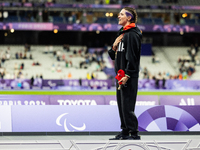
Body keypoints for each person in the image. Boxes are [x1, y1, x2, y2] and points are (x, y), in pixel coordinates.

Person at [108, 7, 142, 140]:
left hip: (128, 76)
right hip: (120, 76)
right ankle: (125, 131)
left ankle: (133, 133)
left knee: (127, 106)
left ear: (129, 18)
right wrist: (113, 46)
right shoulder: (121, 34)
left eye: (121, 14)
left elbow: (133, 58)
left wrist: (128, 75)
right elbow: (113, 56)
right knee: (122, 105)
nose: (118, 16)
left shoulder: (132, 34)